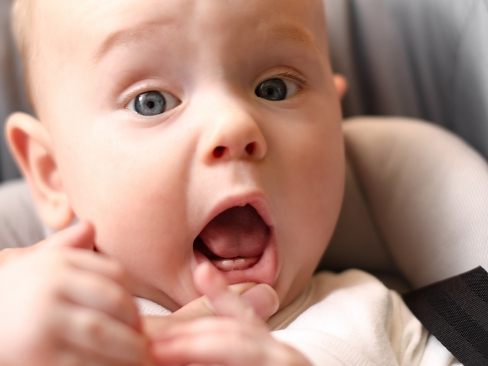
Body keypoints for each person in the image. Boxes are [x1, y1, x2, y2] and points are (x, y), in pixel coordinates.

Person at [1, 0, 458, 365]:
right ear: (51, 172)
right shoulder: (48, 324)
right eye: (151, 102)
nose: (234, 125)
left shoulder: (376, 319)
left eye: (274, 88)